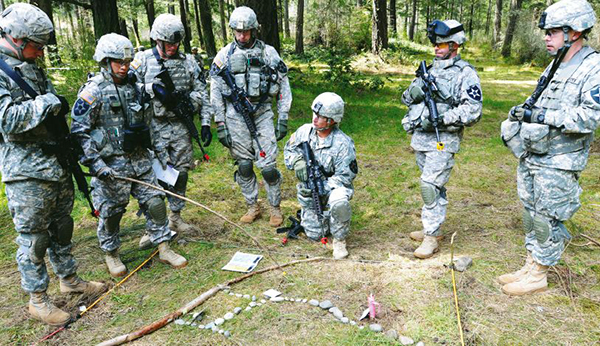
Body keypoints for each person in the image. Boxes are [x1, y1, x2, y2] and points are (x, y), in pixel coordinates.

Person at [0, 3, 105, 326]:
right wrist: (45, 103)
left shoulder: (30, 65)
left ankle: (69, 278)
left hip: (54, 162)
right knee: (34, 238)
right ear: (17, 38)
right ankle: (38, 300)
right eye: (37, 46)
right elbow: (6, 119)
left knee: (61, 228)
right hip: (25, 170)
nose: (42, 53)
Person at [499, 0, 600, 296]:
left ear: (575, 32)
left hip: (560, 159)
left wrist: (545, 117)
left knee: (547, 217)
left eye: (553, 31)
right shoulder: (556, 64)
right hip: (536, 153)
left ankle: (540, 274)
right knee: (531, 213)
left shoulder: (593, 68)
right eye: (546, 31)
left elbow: (592, 115)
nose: (546, 37)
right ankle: (531, 264)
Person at [71, 33, 188, 278]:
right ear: (104, 61)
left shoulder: (136, 89)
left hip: (140, 159)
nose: (124, 67)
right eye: (118, 62)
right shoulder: (94, 92)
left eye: (127, 61)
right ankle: (111, 252)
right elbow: (80, 133)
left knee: (155, 203)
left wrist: (158, 152)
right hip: (111, 165)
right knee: (112, 212)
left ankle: (163, 246)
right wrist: (97, 164)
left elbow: (149, 123)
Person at [401, 19, 482, 259]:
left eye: (443, 44)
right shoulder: (430, 69)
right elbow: (406, 99)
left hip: (442, 139)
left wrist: (442, 119)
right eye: (435, 44)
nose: (437, 48)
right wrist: (412, 93)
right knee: (434, 186)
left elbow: (473, 111)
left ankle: (431, 236)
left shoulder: (465, 74)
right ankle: (432, 229)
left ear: (456, 45)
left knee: (430, 186)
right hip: (421, 138)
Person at [131, 14, 213, 236]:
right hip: (153, 125)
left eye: (176, 43)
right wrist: (152, 88)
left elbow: (202, 93)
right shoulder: (142, 60)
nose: (172, 47)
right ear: (157, 40)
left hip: (180, 126)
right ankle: (154, 226)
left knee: (181, 172)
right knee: (153, 174)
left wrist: (205, 122)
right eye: (168, 43)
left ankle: (175, 217)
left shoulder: (189, 62)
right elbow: (127, 85)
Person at [210, 6, 292, 227]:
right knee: (245, 166)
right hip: (235, 117)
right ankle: (252, 206)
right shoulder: (224, 56)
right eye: (238, 31)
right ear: (232, 31)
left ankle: (275, 207)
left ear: (254, 30)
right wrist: (220, 123)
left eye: (246, 31)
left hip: (262, 113)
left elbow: (284, 85)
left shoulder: (268, 53)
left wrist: (282, 116)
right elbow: (215, 91)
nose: (242, 36)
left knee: (268, 168)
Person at [283, 92, 357, 259]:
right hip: (310, 191)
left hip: (334, 188)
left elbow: (345, 178)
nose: (315, 119)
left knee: (339, 203)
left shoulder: (343, 144)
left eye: (321, 116)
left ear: (332, 120)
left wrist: (323, 187)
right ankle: (322, 219)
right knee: (314, 234)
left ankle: (339, 240)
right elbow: (289, 150)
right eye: (315, 114)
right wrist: (296, 161)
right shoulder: (304, 132)